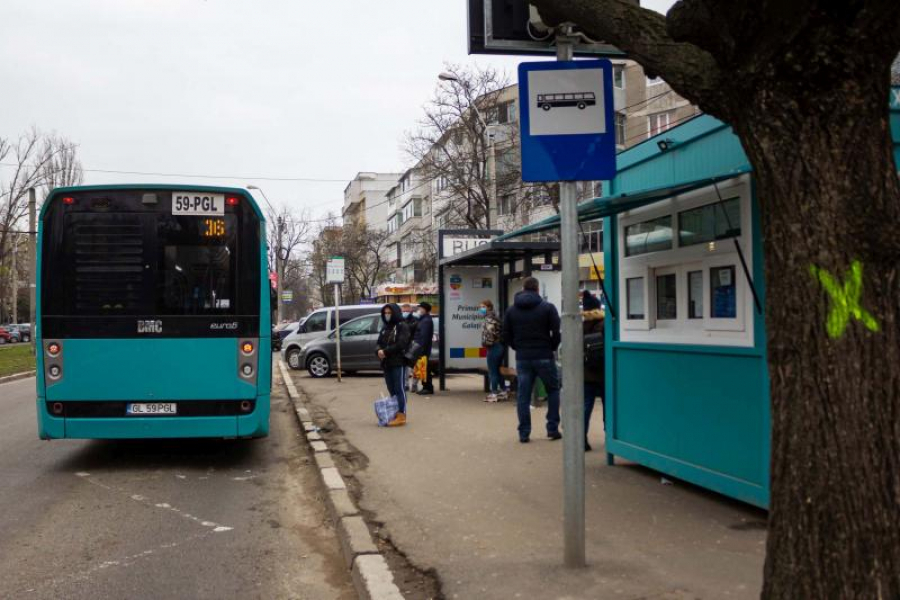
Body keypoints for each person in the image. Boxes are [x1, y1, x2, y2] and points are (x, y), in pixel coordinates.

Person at [502, 277, 561, 443]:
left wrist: (517, 347)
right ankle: (552, 429)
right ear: (537, 289)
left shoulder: (511, 310)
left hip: (523, 357)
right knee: (553, 390)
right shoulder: (548, 308)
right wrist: (551, 347)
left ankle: (524, 433)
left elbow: (505, 334)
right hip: (544, 355)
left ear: (523, 288)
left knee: (523, 395)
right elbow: (556, 332)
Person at [376, 303, 411, 427]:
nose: (387, 315)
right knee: (391, 388)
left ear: (394, 312)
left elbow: (401, 344)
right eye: (385, 313)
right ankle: (395, 412)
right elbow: (379, 342)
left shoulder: (402, 326)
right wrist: (378, 351)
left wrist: (385, 352)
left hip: (398, 362)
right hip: (386, 363)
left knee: (399, 389)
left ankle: (402, 415)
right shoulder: (385, 327)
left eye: (389, 313)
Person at [581, 290, 606, 452]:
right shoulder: (605, 325)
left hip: (586, 374)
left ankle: (582, 439)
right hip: (604, 374)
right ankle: (610, 438)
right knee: (608, 406)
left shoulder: (580, 326)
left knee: (585, 407)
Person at [480, 300, 506, 402]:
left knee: (492, 371)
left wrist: (485, 344)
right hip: (499, 346)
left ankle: (494, 393)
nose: (481, 309)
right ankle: (503, 391)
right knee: (497, 370)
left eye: (483, 307)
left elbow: (489, 335)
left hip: (493, 347)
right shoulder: (495, 318)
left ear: (489, 307)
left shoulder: (489, 319)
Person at [413, 302, 435, 395]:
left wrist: (420, 349)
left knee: (425, 368)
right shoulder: (423, 319)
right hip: (422, 348)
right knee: (423, 367)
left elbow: (424, 337)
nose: (419, 310)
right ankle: (426, 386)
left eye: (420, 308)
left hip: (423, 349)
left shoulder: (426, 321)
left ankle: (427, 387)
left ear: (425, 309)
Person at [401, 303, 419, 392]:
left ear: (410, 311)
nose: (405, 312)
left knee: (414, 366)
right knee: (404, 366)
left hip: (412, 345)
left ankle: (414, 384)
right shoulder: (400, 320)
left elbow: (417, 332)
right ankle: (406, 384)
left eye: (406, 311)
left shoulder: (415, 320)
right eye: (403, 311)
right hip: (403, 346)